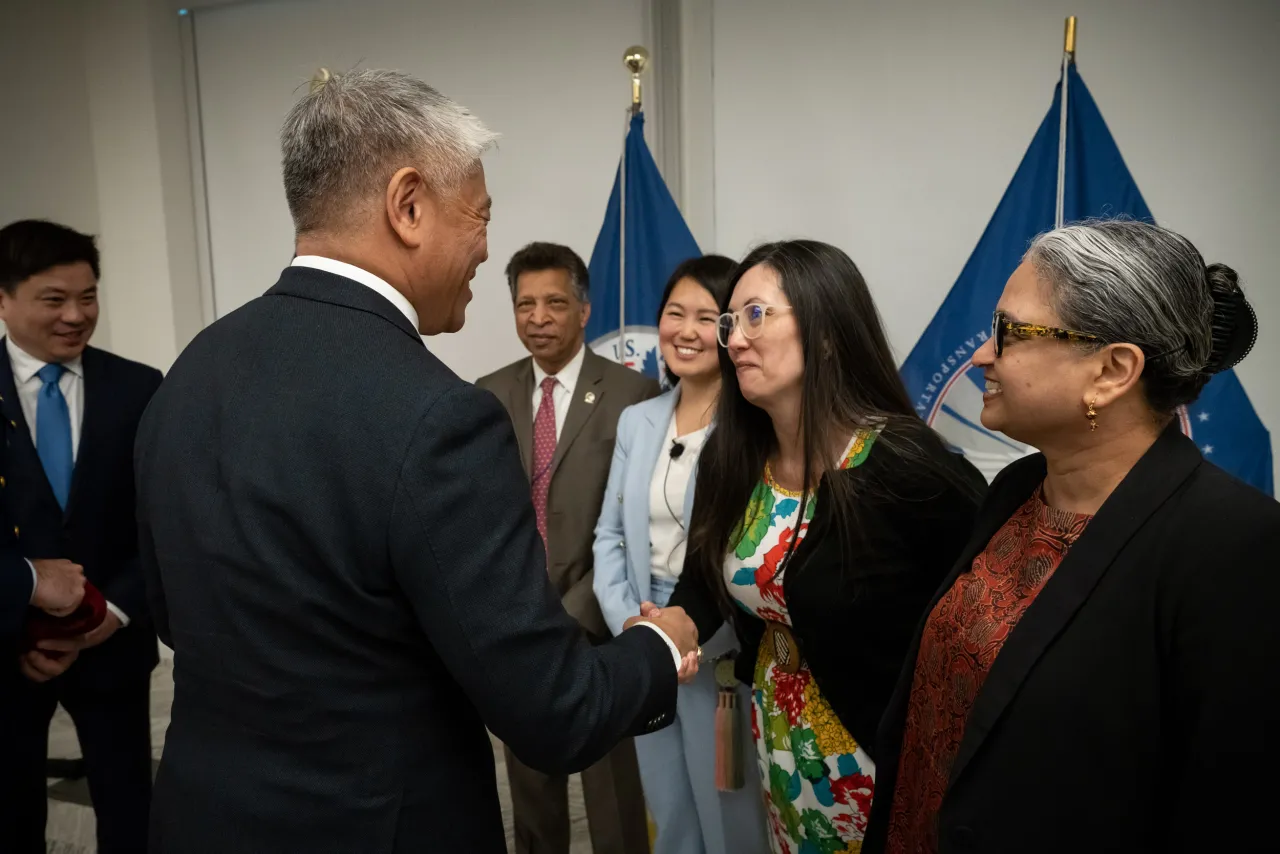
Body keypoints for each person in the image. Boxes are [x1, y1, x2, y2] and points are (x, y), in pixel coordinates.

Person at [134, 69, 700, 854]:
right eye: (481, 215)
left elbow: (174, 612)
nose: (486, 248)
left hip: (203, 817)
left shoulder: (189, 372)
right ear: (408, 206)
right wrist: (659, 646)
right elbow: (555, 712)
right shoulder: (439, 417)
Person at [864, 219, 1280, 854]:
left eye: (1008, 333)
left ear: (1111, 370)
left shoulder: (1232, 544)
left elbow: (1225, 811)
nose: (981, 356)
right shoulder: (1018, 488)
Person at [660, 240, 985, 854]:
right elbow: (704, 581)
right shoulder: (732, 457)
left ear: (828, 333)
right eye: (730, 321)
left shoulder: (904, 467)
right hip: (782, 744)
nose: (731, 339)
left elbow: (982, 620)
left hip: (878, 755)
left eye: (756, 315)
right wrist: (671, 626)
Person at [475, 241, 659, 854]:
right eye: (524, 304)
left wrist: (578, 606)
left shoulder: (634, 393)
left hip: (600, 618)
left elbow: (640, 521)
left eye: (554, 302)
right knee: (530, 786)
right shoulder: (486, 394)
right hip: (520, 622)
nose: (538, 317)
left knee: (613, 793)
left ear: (584, 310)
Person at [594, 255, 770, 854]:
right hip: (647, 635)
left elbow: (745, 547)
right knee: (667, 809)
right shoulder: (638, 420)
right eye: (675, 313)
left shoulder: (754, 431)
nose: (687, 331)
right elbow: (609, 537)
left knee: (730, 814)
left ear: (730, 331)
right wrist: (633, 627)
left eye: (706, 316)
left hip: (718, 648)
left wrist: (687, 634)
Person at [0, 219, 162, 854]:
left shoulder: (139, 388)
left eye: (88, 297)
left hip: (114, 650)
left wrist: (115, 612)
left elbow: (162, 523)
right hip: (7, 656)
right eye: (53, 299)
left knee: (132, 812)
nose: (75, 315)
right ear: (4, 297)